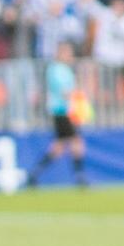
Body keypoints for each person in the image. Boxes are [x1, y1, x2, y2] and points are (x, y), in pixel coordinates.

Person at [27, 39, 88, 187]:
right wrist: (79, 96)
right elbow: (64, 92)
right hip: (61, 111)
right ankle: (80, 177)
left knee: (59, 146)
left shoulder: (65, 69)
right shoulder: (55, 70)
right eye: (67, 53)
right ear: (60, 54)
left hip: (67, 111)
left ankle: (34, 174)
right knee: (76, 143)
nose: (70, 56)